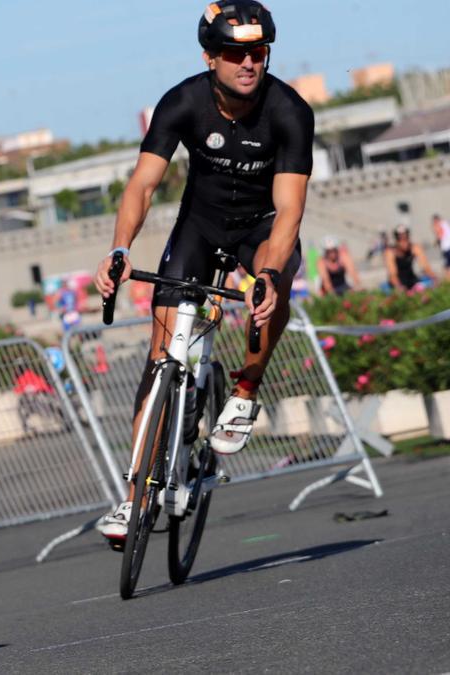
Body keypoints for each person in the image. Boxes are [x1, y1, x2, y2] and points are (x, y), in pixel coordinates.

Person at [92, 0, 314, 544]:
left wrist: (267, 275)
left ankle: (244, 389)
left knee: (271, 288)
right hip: (200, 226)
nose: (249, 63)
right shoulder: (182, 101)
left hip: (261, 226)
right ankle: (132, 499)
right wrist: (120, 249)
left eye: (258, 52)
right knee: (161, 358)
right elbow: (143, 185)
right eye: (235, 52)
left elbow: (290, 210)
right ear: (210, 56)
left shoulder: (289, 111)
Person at [384, 225, 436, 292]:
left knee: (427, 287)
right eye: (401, 239)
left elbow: (426, 267)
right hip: (397, 282)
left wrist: (434, 278)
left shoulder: (414, 248)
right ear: (396, 240)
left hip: (411, 279)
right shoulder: (390, 253)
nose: (404, 242)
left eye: (406, 238)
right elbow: (393, 275)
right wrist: (400, 288)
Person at [432, 214, 450, 281]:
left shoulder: (438, 225)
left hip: (446, 247)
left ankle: (448, 281)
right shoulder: (445, 223)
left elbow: (440, 234)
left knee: (447, 265)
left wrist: (435, 242)